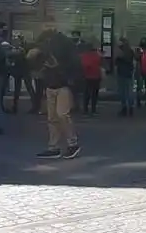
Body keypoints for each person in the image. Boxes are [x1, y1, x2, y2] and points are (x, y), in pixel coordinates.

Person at [30, 19, 81, 159]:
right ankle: (54, 147)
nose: (47, 27)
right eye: (45, 24)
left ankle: (73, 144)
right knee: (52, 117)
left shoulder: (64, 41)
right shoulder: (42, 41)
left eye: (50, 24)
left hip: (63, 84)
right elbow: (36, 59)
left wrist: (64, 73)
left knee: (62, 114)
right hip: (50, 83)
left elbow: (74, 62)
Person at [114, 37, 136, 116]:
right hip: (129, 73)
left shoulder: (120, 51)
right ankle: (131, 108)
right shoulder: (130, 51)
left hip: (121, 73)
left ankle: (124, 108)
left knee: (122, 92)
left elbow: (116, 62)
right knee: (129, 91)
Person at [80, 42, 103, 115]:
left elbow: (83, 65)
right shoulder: (97, 55)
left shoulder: (84, 55)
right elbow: (101, 62)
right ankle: (93, 109)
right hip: (96, 76)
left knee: (86, 93)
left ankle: (85, 109)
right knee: (94, 94)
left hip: (87, 76)